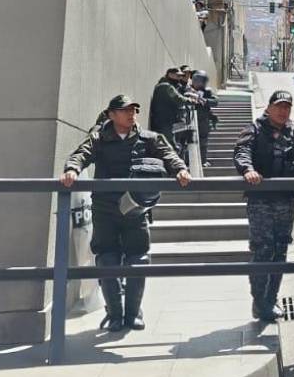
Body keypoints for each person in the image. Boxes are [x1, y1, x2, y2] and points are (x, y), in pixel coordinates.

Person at [62, 95, 191, 332]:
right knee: (107, 259)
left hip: (135, 207)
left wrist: (181, 169)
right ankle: (114, 314)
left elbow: (169, 154)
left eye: (133, 110)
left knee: (138, 259)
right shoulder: (99, 138)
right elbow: (81, 153)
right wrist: (72, 169)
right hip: (105, 207)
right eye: (124, 111)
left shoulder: (148, 138)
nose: (131, 114)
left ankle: (133, 313)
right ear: (111, 114)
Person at [234, 90, 294, 321]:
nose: (283, 111)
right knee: (263, 251)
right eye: (278, 106)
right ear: (268, 108)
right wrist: (248, 170)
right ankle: (259, 302)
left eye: (287, 107)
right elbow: (242, 152)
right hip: (261, 201)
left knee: (280, 252)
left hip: (286, 202)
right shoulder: (254, 130)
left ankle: (272, 299)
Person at [150, 67, 201, 150]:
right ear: (170, 75)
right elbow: (178, 98)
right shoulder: (166, 86)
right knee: (169, 147)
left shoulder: (165, 85)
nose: (180, 78)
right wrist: (191, 101)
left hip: (165, 121)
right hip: (163, 121)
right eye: (178, 76)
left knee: (171, 145)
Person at [191, 70, 219, 168]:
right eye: (197, 80)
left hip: (203, 120)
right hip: (190, 120)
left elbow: (215, 101)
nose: (199, 83)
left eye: (201, 81)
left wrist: (205, 101)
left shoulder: (207, 92)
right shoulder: (188, 89)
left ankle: (202, 161)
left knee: (203, 142)